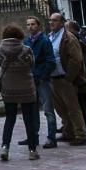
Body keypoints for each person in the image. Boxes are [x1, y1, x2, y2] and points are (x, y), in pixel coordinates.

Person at [0, 25, 39, 161]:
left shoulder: (0, 50)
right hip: (26, 87)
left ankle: (5, 147)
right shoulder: (26, 50)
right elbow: (32, 64)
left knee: (10, 118)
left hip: (9, 87)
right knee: (28, 119)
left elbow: (0, 63)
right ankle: (32, 150)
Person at [48, 12, 86, 145]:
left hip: (65, 78)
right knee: (61, 109)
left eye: (55, 20)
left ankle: (80, 134)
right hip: (54, 78)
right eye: (50, 20)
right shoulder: (51, 37)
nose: (51, 23)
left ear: (61, 23)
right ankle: (68, 132)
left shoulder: (68, 38)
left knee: (73, 108)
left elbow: (76, 59)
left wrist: (69, 77)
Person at [21, 16, 57, 149]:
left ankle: (51, 137)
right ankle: (33, 136)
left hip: (42, 79)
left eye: (33, 24)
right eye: (28, 24)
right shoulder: (26, 41)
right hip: (31, 79)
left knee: (48, 109)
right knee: (32, 110)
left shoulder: (44, 41)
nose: (30, 27)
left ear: (38, 25)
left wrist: (42, 75)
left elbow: (51, 61)